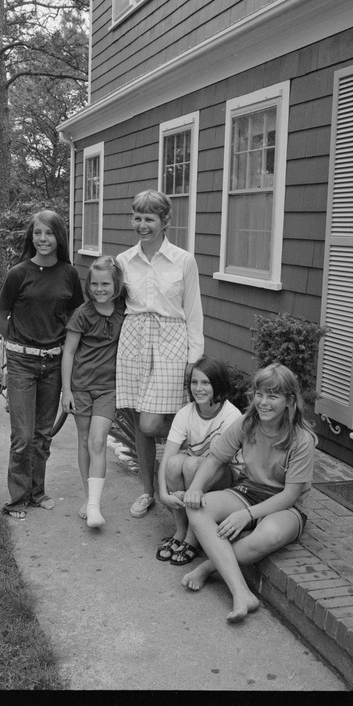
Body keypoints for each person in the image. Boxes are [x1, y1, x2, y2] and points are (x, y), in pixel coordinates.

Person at [180, 363, 316, 623]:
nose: (263, 402)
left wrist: (247, 515)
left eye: (273, 396)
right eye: (260, 394)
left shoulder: (302, 439)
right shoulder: (247, 423)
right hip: (249, 490)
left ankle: (210, 566)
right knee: (197, 507)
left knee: (269, 535)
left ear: (289, 401)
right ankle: (241, 592)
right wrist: (195, 488)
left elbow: (290, 495)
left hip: (287, 506)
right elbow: (214, 460)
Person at [115, 189, 204, 518]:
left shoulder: (183, 260)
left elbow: (193, 312)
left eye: (149, 218)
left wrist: (194, 357)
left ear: (165, 221)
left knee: (153, 423)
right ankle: (148, 492)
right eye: (137, 217)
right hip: (134, 340)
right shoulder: (123, 261)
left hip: (171, 342)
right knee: (140, 422)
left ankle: (196, 452)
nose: (142, 224)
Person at [0, 210, 84, 520]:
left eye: (48, 233)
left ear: (59, 237)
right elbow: (0, 315)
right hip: (22, 363)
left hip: (55, 364)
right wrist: (16, 344)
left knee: (43, 435)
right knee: (22, 436)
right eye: (37, 233)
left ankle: (37, 492)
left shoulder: (69, 274)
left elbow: (75, 318)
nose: (42, 239)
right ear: (31, 238)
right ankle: (17, 500)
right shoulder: (18, 273)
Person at [156, 356, 242, 565]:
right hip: (194, 473)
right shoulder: (186, 413)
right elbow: (167, 457)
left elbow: (217, 462)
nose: (198, 388)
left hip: (225, 476)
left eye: (206, 383)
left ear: (218, 384)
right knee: (175, 463)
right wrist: (163, 493)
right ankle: (181, 531)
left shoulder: (231, 415)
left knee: (192, 463)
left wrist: (188, 489)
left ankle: (193, 539)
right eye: (194, 382)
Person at [61, 256, 126, 528]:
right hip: (81, 387)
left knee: (98, 441)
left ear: (117, 284)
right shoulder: (83, 314)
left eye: (106, 284)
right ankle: (89, 499)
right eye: (95, 284)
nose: (100, 289)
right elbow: (69, 351)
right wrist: (67, 391)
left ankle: (95, 506)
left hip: (109, 388)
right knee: (85, 439)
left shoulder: (125, 311)